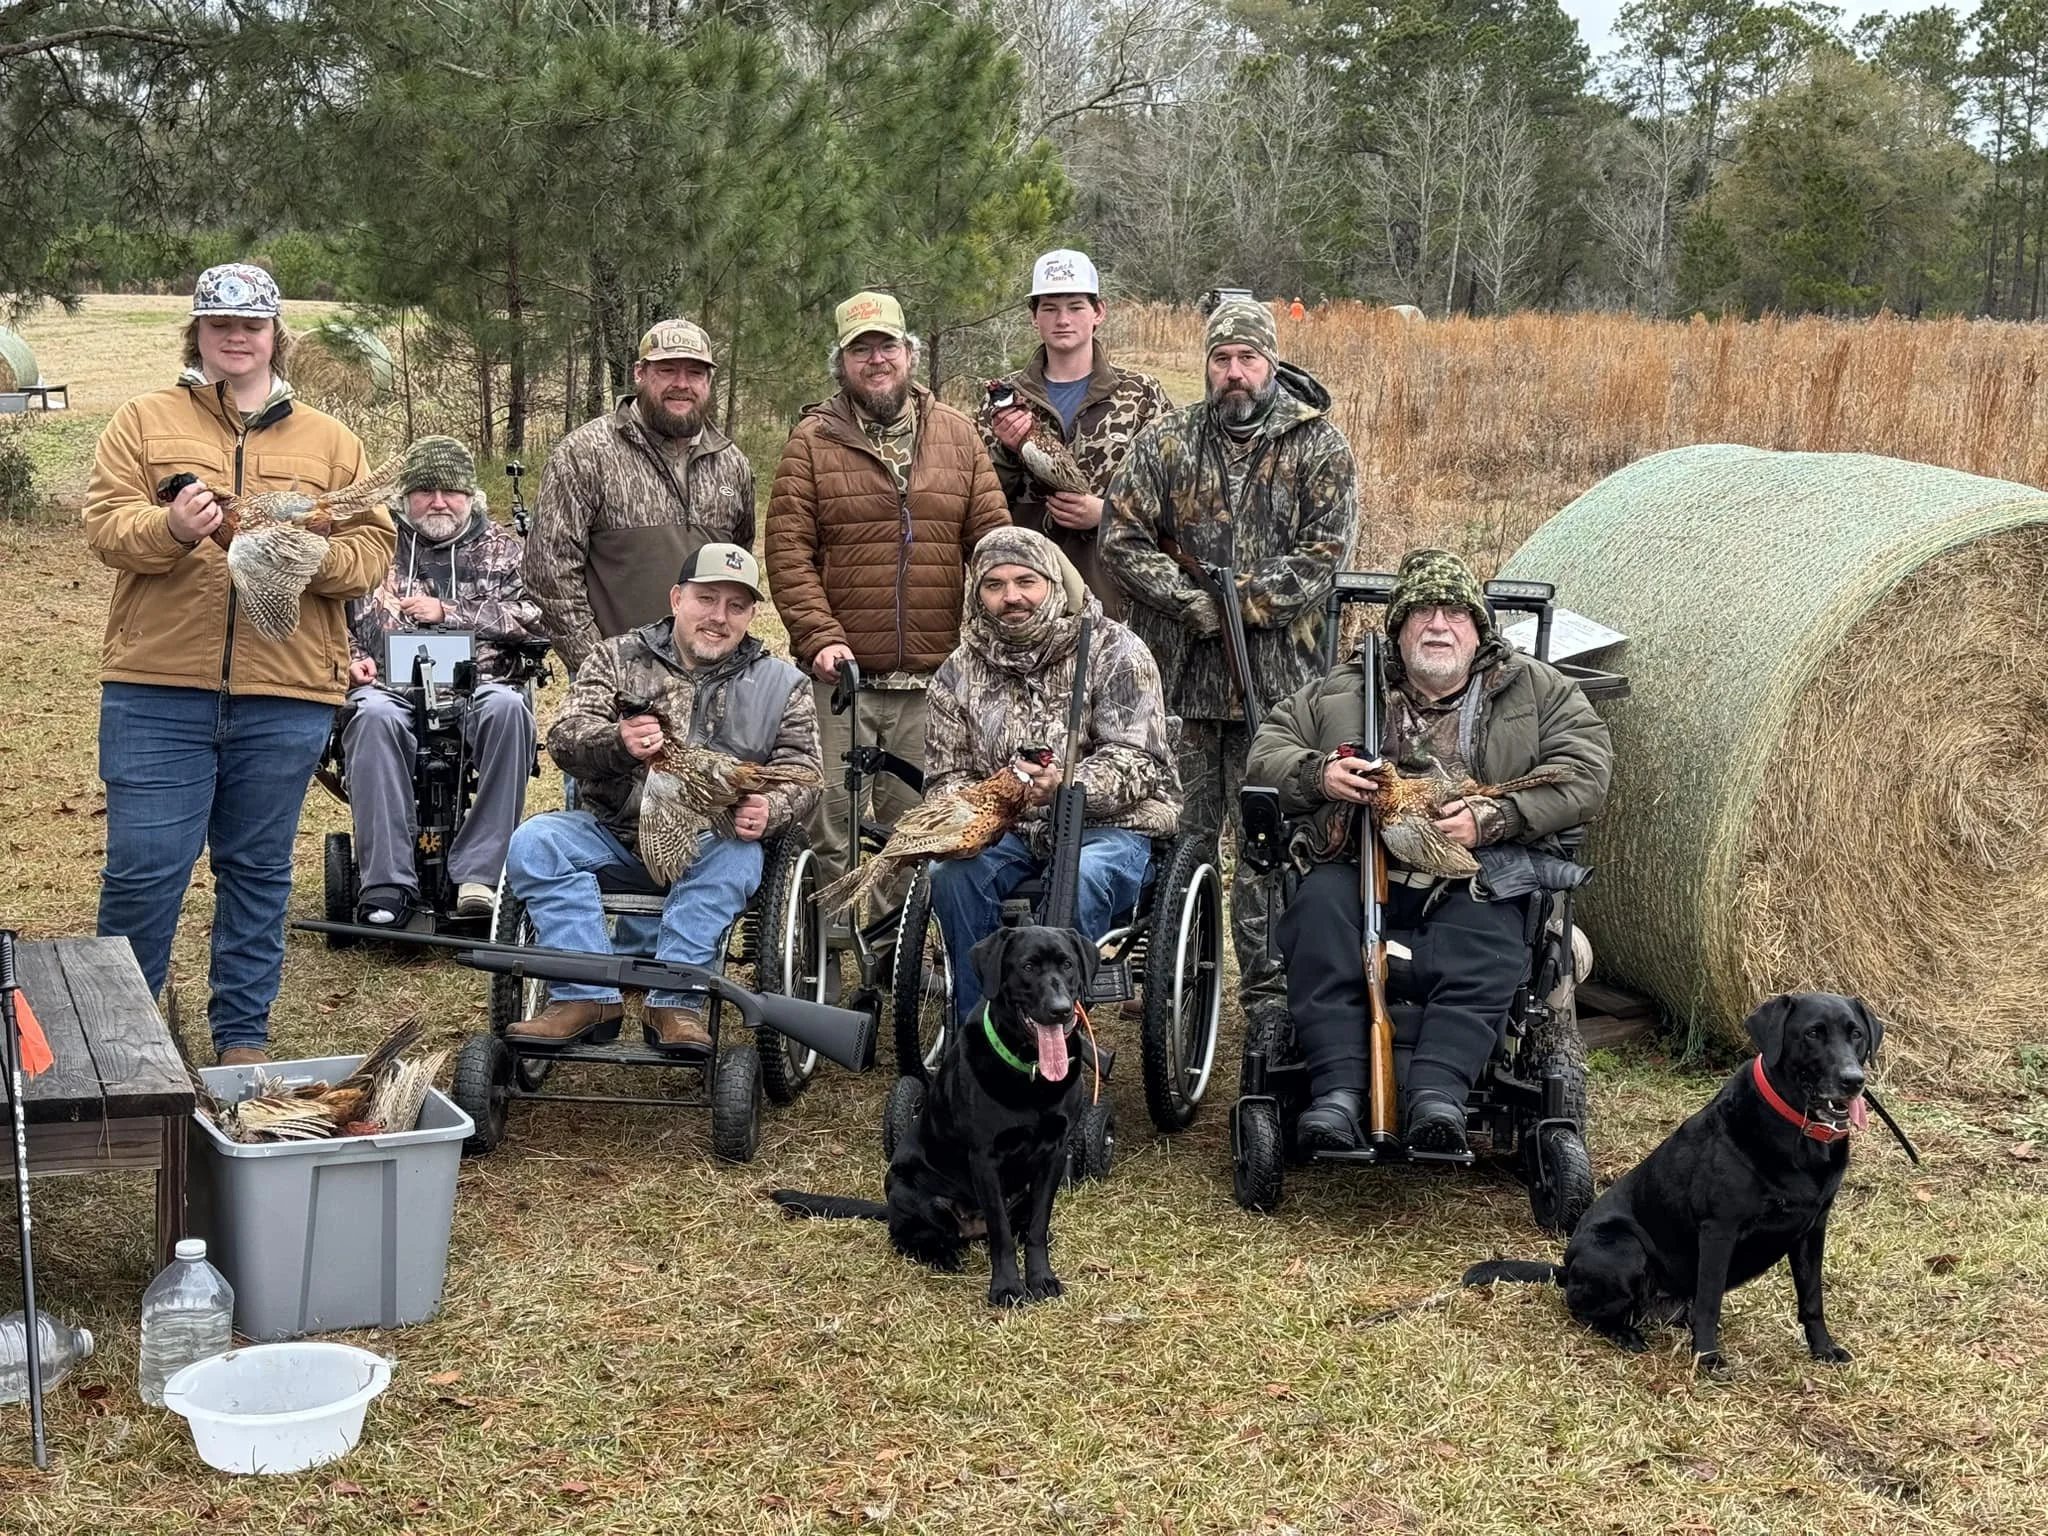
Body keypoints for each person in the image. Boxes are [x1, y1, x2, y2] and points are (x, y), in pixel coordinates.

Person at [83, 262, 395, 1066]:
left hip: (285, 692)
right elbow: (107, 527)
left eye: (251, 324)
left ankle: (242, 1042)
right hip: (157, 688)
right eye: (219, 323)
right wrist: (173, 529)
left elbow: (370, 551)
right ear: (197, 330)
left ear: (273, 333)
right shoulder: (143, 421)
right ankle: (121, 1045)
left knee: (257, 873)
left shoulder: (330, 441)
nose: (236, 336)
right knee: (144, 871)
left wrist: (292, 556)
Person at [1246, 549, 1614, 1153]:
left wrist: (1494, 817)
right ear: (1398, 628)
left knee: (1492, 936)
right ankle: (1338, 1093)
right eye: (1421, 612)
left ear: (1479, 628)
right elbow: (1267, 751)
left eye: (1454, 613)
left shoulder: (1541, 689)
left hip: (1478, 872)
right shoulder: (1341, 689)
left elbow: (1585, 772)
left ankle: (1438, 1096)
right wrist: (1320, 775)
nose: (1438, 625)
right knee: (1317, 917)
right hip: (1358, 863)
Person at [1099, 297, 1358, 1048]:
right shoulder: (1167, 441)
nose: (1234, 373)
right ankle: (1166, 985)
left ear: (1271, 363)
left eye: (1248, 359)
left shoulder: (1319, 448)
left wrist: (1236, 603)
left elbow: (1323, 556)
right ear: (1207, 364)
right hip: (1178, 685)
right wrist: (1188, 602)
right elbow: (1122, 538)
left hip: (1276, 695)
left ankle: (1269, 996)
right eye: (1221, 359)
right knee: (1175, 836)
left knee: (1267, 843)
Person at [503, 544, 820, 1054]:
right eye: (707, 598)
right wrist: (618, 741)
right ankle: (584, 995)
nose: (719, 617)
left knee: (738, 858)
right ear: (677, 598)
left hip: (708, 842)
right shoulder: (615, 657)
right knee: (535, 843)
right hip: (613, 834)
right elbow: (564, 737)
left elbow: (804, 773)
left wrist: (773, 809)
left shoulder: (782, 683)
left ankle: (676, 1000)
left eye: (736, 606)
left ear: (751, 615)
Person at [764, 289, 1009, 909]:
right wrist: (820, 637)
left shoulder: (958, 437)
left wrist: (985, 642)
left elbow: (992, 547)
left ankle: (899, 958)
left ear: (910, 352)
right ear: (842, 362)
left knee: (919, 826)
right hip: (841, 678)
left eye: (888, 346)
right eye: (861, 349)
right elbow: (789, 553)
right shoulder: (812, 441)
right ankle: (831, 957)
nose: (877, 359)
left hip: (933, 679)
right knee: (830, 824)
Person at [923, 527, 1180, 1023]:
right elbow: (945, 777)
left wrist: (1067, 787)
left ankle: (1061, 1021)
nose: (1011, 597)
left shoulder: (1116, 651)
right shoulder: (957, 672)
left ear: (1054, 583)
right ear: (977, 593)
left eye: (1026, 581)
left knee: (1080, 877)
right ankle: (980, 1030)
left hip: (1110, 828)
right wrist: (995, 801)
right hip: (1008, 832)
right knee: (951, 875)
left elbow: (1138, 759)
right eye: (993, 585)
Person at [341, 435, 543, 927]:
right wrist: (348, 658)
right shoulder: (373, 544)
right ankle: (386, 881)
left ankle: (480, 875)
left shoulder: (504, 549)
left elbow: (537, 618)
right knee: (370, 716)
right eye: (425, 490)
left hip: (482, 685)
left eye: (450, 491)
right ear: (404, 496)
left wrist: (449, 612)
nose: (438, 502)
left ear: (471, 495)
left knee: (508, 711)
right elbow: (331, 616)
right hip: (387, 687)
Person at [524, 317, 754, 680]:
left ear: (709, 381)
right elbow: (548, 574)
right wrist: (599, 671)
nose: (682, 384)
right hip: (618, 685)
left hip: (712, 683)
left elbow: (736, 570)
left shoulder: (731, 463)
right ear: (640, 373)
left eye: (694, 372)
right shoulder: (585, 453)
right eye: (667, 370)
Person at [978, 249, 1171, 618]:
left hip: (1118, 590)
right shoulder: (1002, 399)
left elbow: (1176, 494)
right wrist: (1008, 452)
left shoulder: (1141, 395)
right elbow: (979, 498)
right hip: (1025, 593)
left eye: (1075, 306)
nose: (1062, 319)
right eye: (1049, 308)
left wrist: (1108, 513)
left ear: (1098, 312)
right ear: (1034, 317)